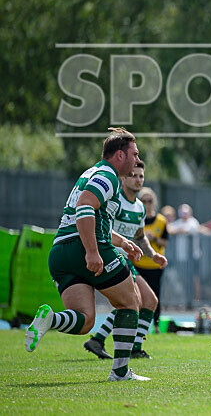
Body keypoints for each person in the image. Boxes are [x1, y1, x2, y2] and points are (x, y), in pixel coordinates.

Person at [25, 128, 151, 381]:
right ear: (119, 155)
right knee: (130, 302)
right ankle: (120, 372)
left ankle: (50, 319)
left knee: (84, 322)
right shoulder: (108, 176)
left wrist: (123, 242)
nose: (137, 160)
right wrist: (93, 252)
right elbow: (85, 206)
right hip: (85, 248)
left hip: (61, 252)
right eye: (134, 154)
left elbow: (91, 217)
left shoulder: (92, 173)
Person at [84, 163, 168, 360]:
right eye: (134, 175)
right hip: (112, 256)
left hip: (126, 262)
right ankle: (127, 348)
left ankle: (109, 341)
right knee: (134, 302)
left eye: (141, 176)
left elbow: (140, 237)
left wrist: (153, 255)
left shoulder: (139, 207)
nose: (138, 179)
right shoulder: (115, 201)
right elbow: (104, 227)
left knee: (149, 301)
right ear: (124, 179)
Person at [134, 187, 170, 333]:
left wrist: (153, 238)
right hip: (138, 263)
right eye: (143, 201)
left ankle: (155, 326)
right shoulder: (136, 218)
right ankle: (135, 326)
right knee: (137, 297)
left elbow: (165, 242)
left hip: (154, 265)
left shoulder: (161, 221)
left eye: (149, 201)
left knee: (155, 296)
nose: (147, 204)